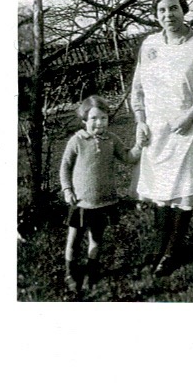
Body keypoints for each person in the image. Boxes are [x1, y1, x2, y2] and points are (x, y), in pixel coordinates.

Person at [131, 0, 193, 275]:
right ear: (156, 16)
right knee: (160, 190)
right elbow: (138, 88)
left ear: (183, 9)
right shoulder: (149, 45)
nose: (168, 14)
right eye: (161, 10)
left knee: (183, 191)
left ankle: (172, 253)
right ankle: (160, 247)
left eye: (173, 8)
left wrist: (188, 117)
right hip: (156, 132)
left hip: (186, 128)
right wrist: (141, 120)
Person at [59, 95, 143, 294]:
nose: (99, 123)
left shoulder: (111, 140)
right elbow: (65, 166)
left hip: (103, 201)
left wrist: (140, 145)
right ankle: (70, 273)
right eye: (94, 119)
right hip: (81, 202)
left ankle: (90, 272)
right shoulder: (77, 140)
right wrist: (67, 189)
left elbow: (128, 157)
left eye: (103, 118)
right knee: (74, 239)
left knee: (96, 239)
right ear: (84, 121)